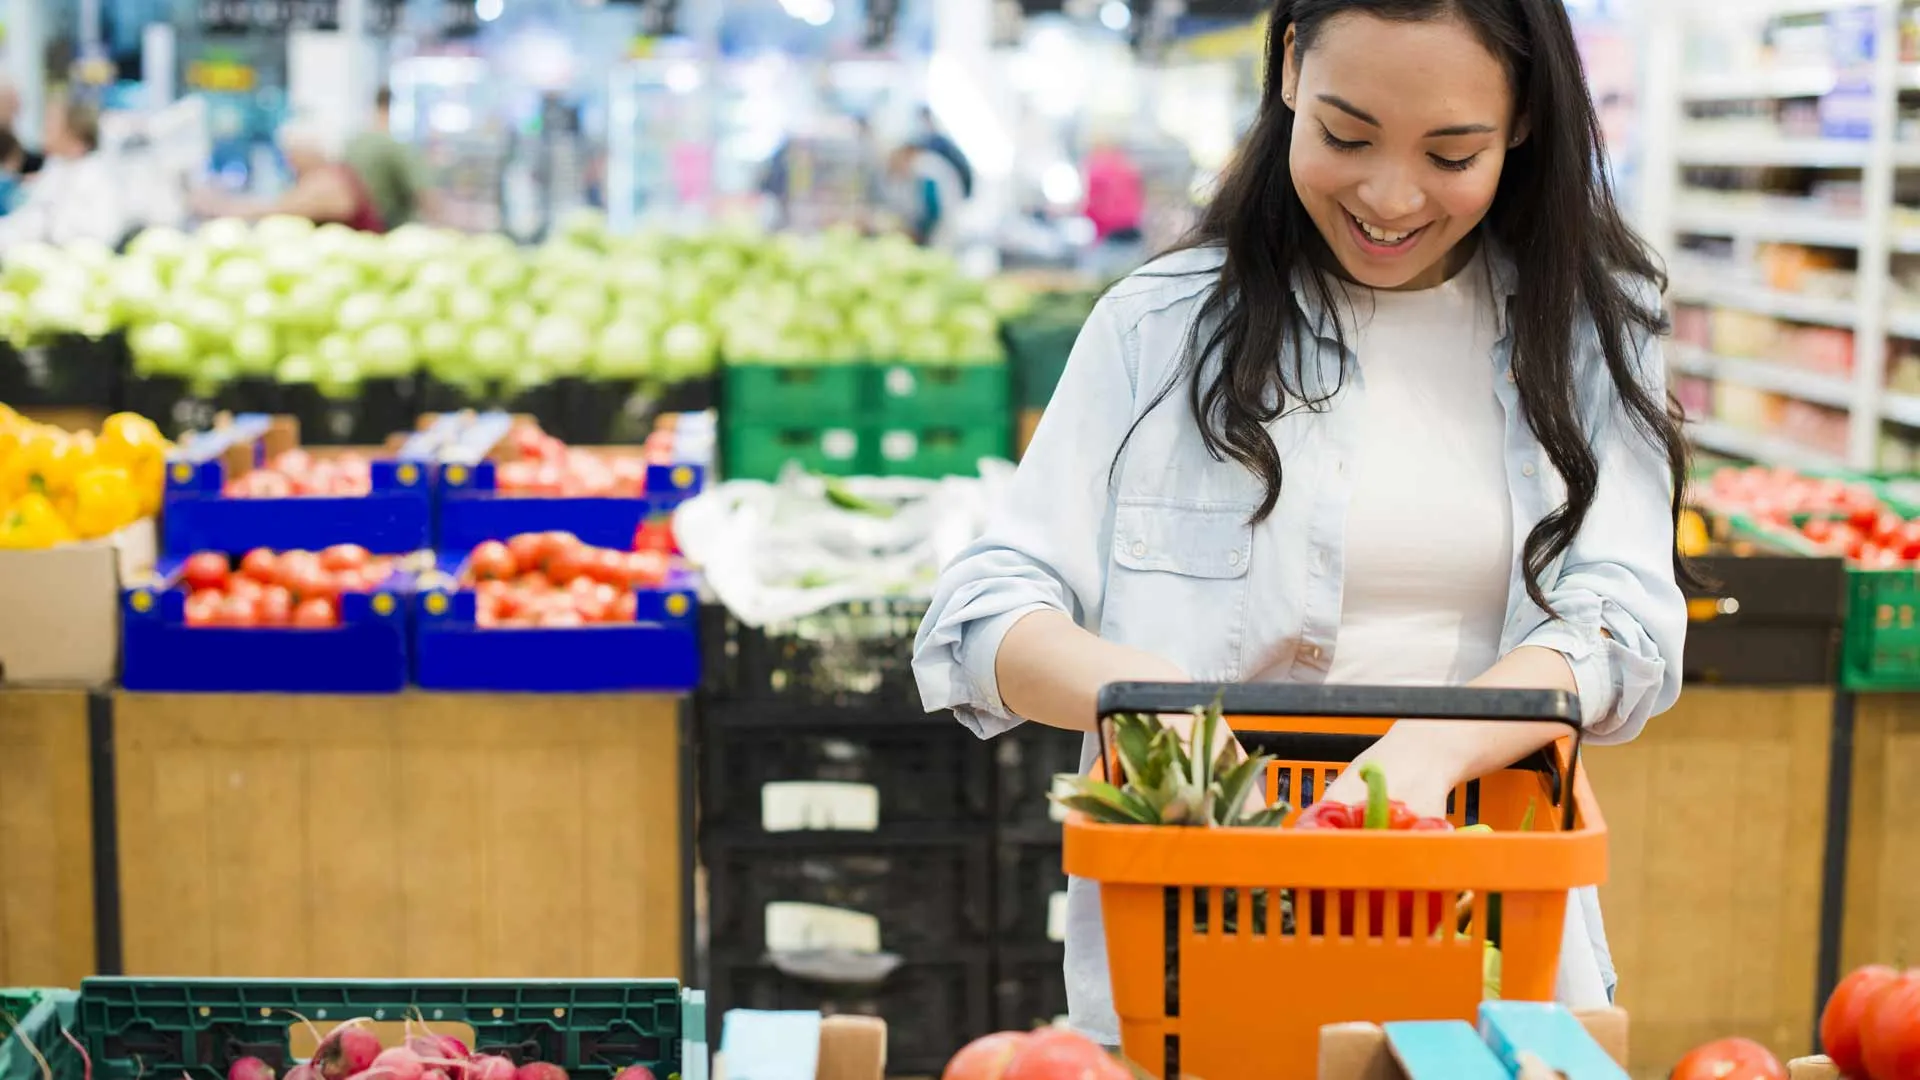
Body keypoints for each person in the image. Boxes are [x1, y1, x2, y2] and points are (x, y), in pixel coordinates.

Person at [912, 0, 1689, 1050]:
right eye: (1347, 134)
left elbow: (1625, 625)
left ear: (1522, 125)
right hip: (1195, 950)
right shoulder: (1158, 327)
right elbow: (981, 616)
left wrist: (1423, 753)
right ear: (1288, 71)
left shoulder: (1596, 330)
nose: (1389, 195)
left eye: (1450, 152)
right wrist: (1149, 704)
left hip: (1490, 938)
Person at [191, 118, 385, 231]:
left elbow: (279, 209)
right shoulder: (327, 177)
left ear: (309, 153)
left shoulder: (328, 182)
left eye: (292, 154)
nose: (289, 161)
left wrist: (223, 208)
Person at [0, 94, 125, 251]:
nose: (45, 128)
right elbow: (28, 219)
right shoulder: (56, 167)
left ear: (74, 131)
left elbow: (99, 233)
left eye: (52, 122)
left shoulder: (95, 176)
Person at [343, 86, 434, 228]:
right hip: (391, 231)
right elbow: (424, 195)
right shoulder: (397, 147)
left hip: (357, 229)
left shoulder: (352, 145)